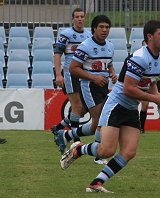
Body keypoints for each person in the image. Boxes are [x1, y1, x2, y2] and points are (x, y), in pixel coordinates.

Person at [60, 20, 160, 193]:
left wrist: (157, 96)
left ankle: (96, 183)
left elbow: (151, 81)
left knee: (129, 151)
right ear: (150, 37)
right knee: (106, 151)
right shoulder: (140, 58)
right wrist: (155, 99)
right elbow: (128, 89)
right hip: (116, 105)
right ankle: (78, 150)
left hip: (130, 108)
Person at [55, 15, 117, 166]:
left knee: (97, 123)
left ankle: (66, 134)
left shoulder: (110, 45)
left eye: (107, 27)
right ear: (94, 28)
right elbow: (73, 68)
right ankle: (98, 155)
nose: (104, 30)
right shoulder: (85, 46)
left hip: (103, 86)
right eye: (101, 27)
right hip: (89, 86)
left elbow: (108, 64)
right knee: (102, 120)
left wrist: (112, 73)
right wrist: (93, 78)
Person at [52, 8, 91, 145]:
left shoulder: (89, 35)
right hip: (70, 73)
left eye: (82, 16)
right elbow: (57, 54)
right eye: (77, 17)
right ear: (73, 19)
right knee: (77, 106)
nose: (80, 19)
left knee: (84, 107)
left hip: (84, 74)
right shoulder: (66, 34)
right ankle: (76, 139)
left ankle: (59, 127)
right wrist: (58, 74)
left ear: (84, 18)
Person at [139, 40, 160, 134]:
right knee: (145, 105)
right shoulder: (141, 58)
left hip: (156, 82)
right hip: (144, 82)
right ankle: (141, 128)